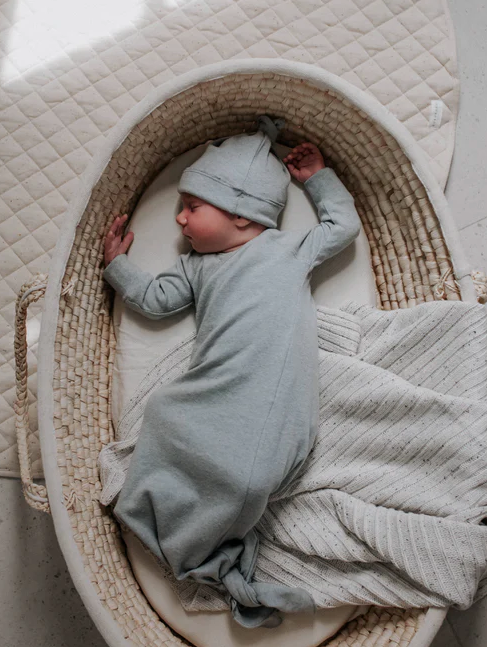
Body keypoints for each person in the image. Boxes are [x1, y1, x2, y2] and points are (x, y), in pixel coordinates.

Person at [101, 116, 361, 628]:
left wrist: (318, 180)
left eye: (191, 207)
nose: (179, 219)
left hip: (272, 404)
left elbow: (342, 227)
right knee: (164, 411)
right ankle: (165, 513)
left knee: (246, 474)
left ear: (242, 215)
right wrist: (118, 265)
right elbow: (155, 300)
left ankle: (206, 542)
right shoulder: (195, 266)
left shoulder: (289, 249)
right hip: (215, 391)